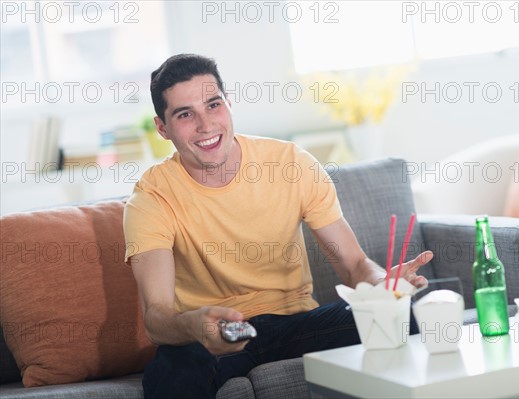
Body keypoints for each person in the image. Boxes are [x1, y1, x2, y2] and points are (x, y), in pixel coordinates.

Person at [123, 53, 433, 399]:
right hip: (216, 335)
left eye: (213, 105)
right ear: (162, 127)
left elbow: (354, 265)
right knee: (171, 372)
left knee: (406, 316)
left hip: (296, 323)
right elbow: (157, 317)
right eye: (185, 114)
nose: (206, 125)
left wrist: (384, 285)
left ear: (229, 104)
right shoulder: (151, 197)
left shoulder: (290, 163)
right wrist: (194, 324)